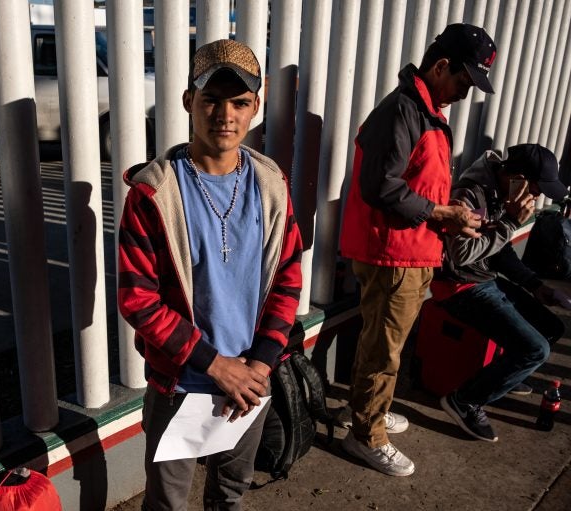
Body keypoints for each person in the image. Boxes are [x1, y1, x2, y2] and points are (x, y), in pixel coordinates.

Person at [117, 39, 302, 510]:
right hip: (179, 384)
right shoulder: (154, 193)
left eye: (240, 102)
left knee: (230, 494)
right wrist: (216, 365)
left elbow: (288, 278)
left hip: (251, 382)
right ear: (187, 102)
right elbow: (138, 299)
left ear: (255, 107)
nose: (225, 115)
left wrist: (259, 364)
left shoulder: (271, 184)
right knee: (167, 502)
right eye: (210, 100)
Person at [338, 23, 497, 477]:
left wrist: (448, 214)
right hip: (393, 254)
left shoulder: (426, 109)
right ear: (441, 66)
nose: (466, 94)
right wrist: (441, 215)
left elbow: (412, 181)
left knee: (386, 343)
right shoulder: (405, 110)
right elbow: (379, 186)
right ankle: (365, 434)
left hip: (411, 250)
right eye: (464, 82)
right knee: (382, 350)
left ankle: (373, 409)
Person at [434, 143, 567, 442]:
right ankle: (465, 400)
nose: (536, 197)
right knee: (535, 350)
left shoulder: (500, 193)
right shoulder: (471, 194)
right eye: (534, 188)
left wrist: (536, 285)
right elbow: (461, 254)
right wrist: (508, 223)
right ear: (517, 177)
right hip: (459, 285)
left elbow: (499, 253)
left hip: (484, 279)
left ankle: (504, 376)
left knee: (552, 328)